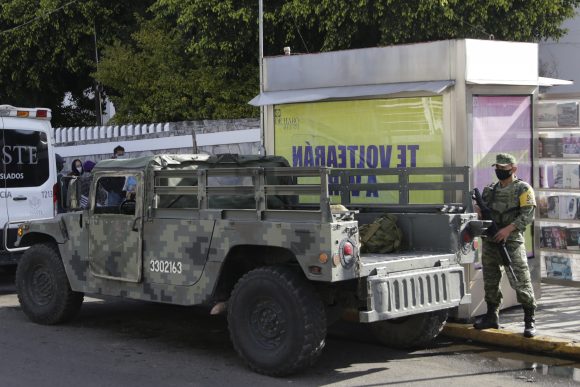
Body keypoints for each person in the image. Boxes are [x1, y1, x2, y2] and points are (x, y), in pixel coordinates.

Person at [473, 153, 537, 338]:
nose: (500, 171)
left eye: (503, 168)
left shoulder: (523, 189)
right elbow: (482, 213)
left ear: (513, 169)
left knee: (520, 280)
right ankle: (492, 316)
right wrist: (477, 213)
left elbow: (527, 215)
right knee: (490, 280)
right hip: (491, 241)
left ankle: (529, 320)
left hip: (512, 242)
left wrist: (507, 230)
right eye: (497, 168)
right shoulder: (489, 190)